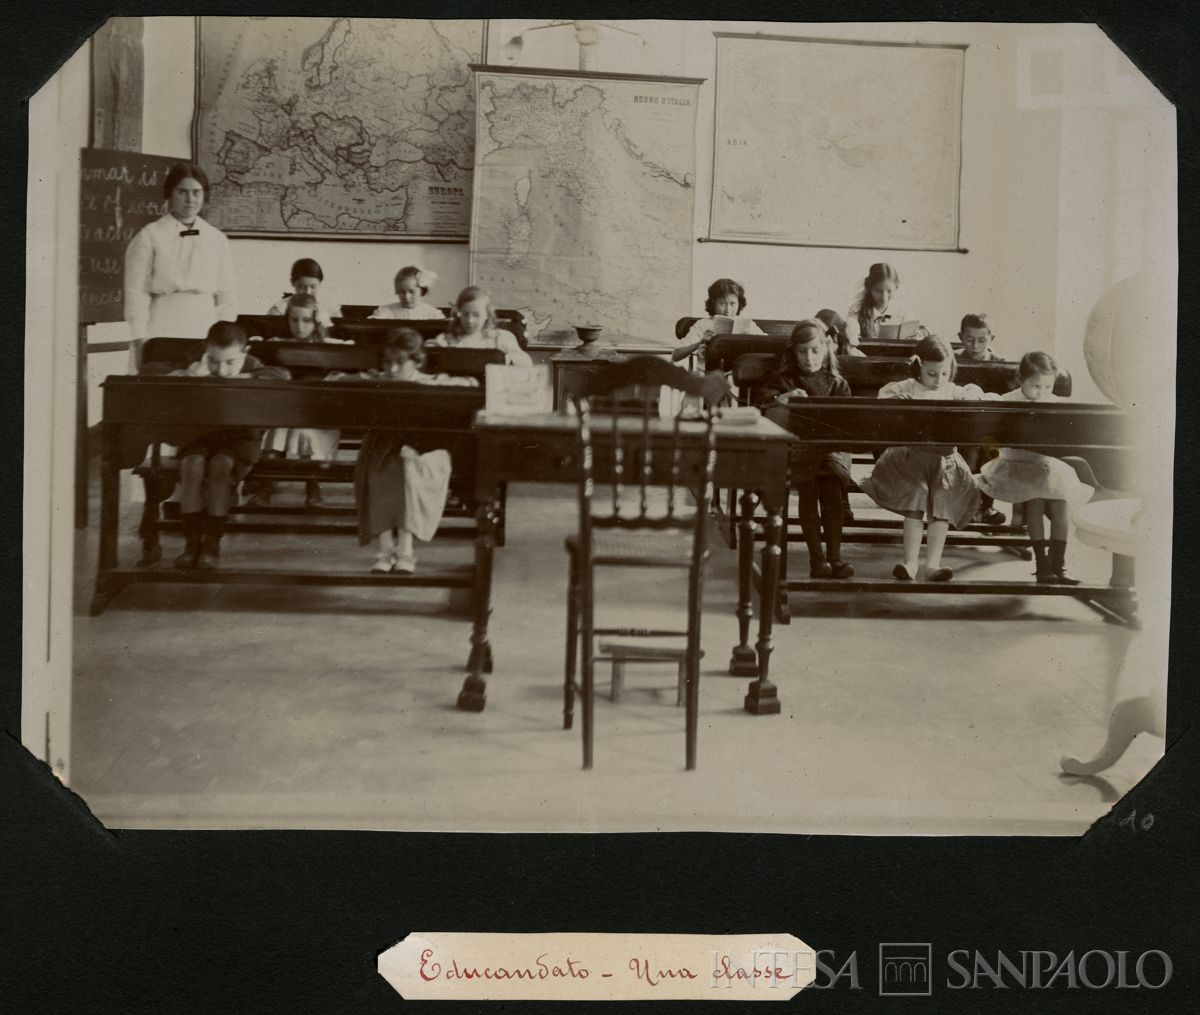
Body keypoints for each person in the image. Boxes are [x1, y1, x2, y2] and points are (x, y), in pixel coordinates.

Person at [333, 329, 478, 573]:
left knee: (406, 475)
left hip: (422, 448)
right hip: (382, 447)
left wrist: (463, 382)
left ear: (416, 360)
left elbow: (467, 385)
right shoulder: (378, 379)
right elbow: (338, 379)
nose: (391, 369)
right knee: (379, 476)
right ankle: (386, 550)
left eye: (400, 362)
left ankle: (407, 551)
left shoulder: (427, 381)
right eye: (387, 362)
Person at [859, 334, 988, 581]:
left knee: (942, 508)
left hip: (945, 462)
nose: (938, 380)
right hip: (912, 459)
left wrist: (970, 397)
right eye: (931, 373)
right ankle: (910, 564)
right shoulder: (908, 387)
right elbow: (884, 397)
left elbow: (977, 395)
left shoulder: (953, 391)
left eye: (944, 373)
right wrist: (899, 403)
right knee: (915, 505)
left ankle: (933, 564)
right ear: (919, 367)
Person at [167, 322, 288, 569]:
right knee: (192, 466)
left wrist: (244, 377)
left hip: (239, 439)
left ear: (244, 351)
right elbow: (155, 372)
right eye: (213, 361)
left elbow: (280, 375)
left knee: (220, 466)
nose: (221, 370)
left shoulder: (252, 364)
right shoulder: (196, 364)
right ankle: (191, 543)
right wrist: (185, 375)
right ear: (205, 349)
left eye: (230, 362)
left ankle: (212, 542)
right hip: (199, 435)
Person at [977, 352, 1094, 584]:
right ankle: (1042, 565)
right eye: (1036, 386)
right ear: (1021, 380)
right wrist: (995, 454)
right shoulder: (1007, 401)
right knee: (1036, 501)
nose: (1042, 393)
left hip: (1049, 464)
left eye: (1048, 387)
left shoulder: (1056, 405)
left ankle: (1058, 565)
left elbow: (1071, 437)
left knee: (1061, 505)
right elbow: (988, 438)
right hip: (1018, 462)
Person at [759, 321, 855, 578]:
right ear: (793, 352)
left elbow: (847, 422)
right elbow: (764, 405)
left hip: (830, 450)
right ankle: (817, 560)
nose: (809, 357)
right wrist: (780, 400)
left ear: (825, 349)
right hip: (797, 449)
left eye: (814, 350)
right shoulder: (783, 379)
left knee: (832, 485)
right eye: (802, 351)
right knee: (809, 486)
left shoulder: (837, 382)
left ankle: (835, 558)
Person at [124, 162, 236, 369]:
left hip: (205, 326)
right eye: (182, 192)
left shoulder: (216, 238)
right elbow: (136, 293)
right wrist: (140, 337)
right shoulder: (150, 235)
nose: (190, 199)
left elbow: (226, 294)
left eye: (196, 192)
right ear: (170, 193)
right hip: (162, 326)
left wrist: (226, 336)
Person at [252, 293, 339, 508]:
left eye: (306, 320)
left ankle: (313, 487)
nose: (300, 326)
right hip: (282, 409)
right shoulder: (277, 345)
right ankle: (265, 486)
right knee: (274, 431)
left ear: (315, 320)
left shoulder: (328, 346)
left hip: (315, 411)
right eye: (294, 320)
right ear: (287, 319)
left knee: (306, 433)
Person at [954, 313, 1007, 525]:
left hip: (990, 429)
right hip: (960, 427)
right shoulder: (953, 361)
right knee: (968, 457)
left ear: (991, 339)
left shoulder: (1001, 365)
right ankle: (965, 507)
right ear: (960, 336)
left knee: (992, 455)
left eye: (982, 340)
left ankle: (987, 507)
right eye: (969, 339)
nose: (975, 345)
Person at [427, 285, 531, 365]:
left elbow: (526, 365)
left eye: (476, 315)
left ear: (487, 314)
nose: (470, 320)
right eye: (465, 314)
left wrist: (509, 358)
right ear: (458, 313)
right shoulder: (445, 340)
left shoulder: (501, 338)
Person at [672, 278, 765, 364]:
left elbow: (768, 344)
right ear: (713, 303)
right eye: (722, 303)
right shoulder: (703, 324)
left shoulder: (747, 324)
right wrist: (700, 342)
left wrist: (752, 340)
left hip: (740, 374)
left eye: (732, 304)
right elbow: (676, 355)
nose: (728, 310)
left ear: (739, 303)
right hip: (711, 375)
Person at [843, 262, 921, 348]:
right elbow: (852, 332)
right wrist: (852, 338)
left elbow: (911, 334)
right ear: (870, 289)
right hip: (866, 357)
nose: (884, 297)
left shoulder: (903, 311)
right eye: (878, 291)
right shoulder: (857, 309)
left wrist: (915, 337)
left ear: (896, 288)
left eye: (889, 291)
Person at [266, 257, 338, 326]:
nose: (308, 292)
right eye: (302, 287)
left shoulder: (331, 308)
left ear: (320, 284)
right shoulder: (280, 309)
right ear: (292, 282)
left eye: (313, 287)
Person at [369, 265, 444, 320]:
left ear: (422, 291)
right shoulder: (387, 311)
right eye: (401, 292)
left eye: (412, 292)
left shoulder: (432, 314)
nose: (406, 296)